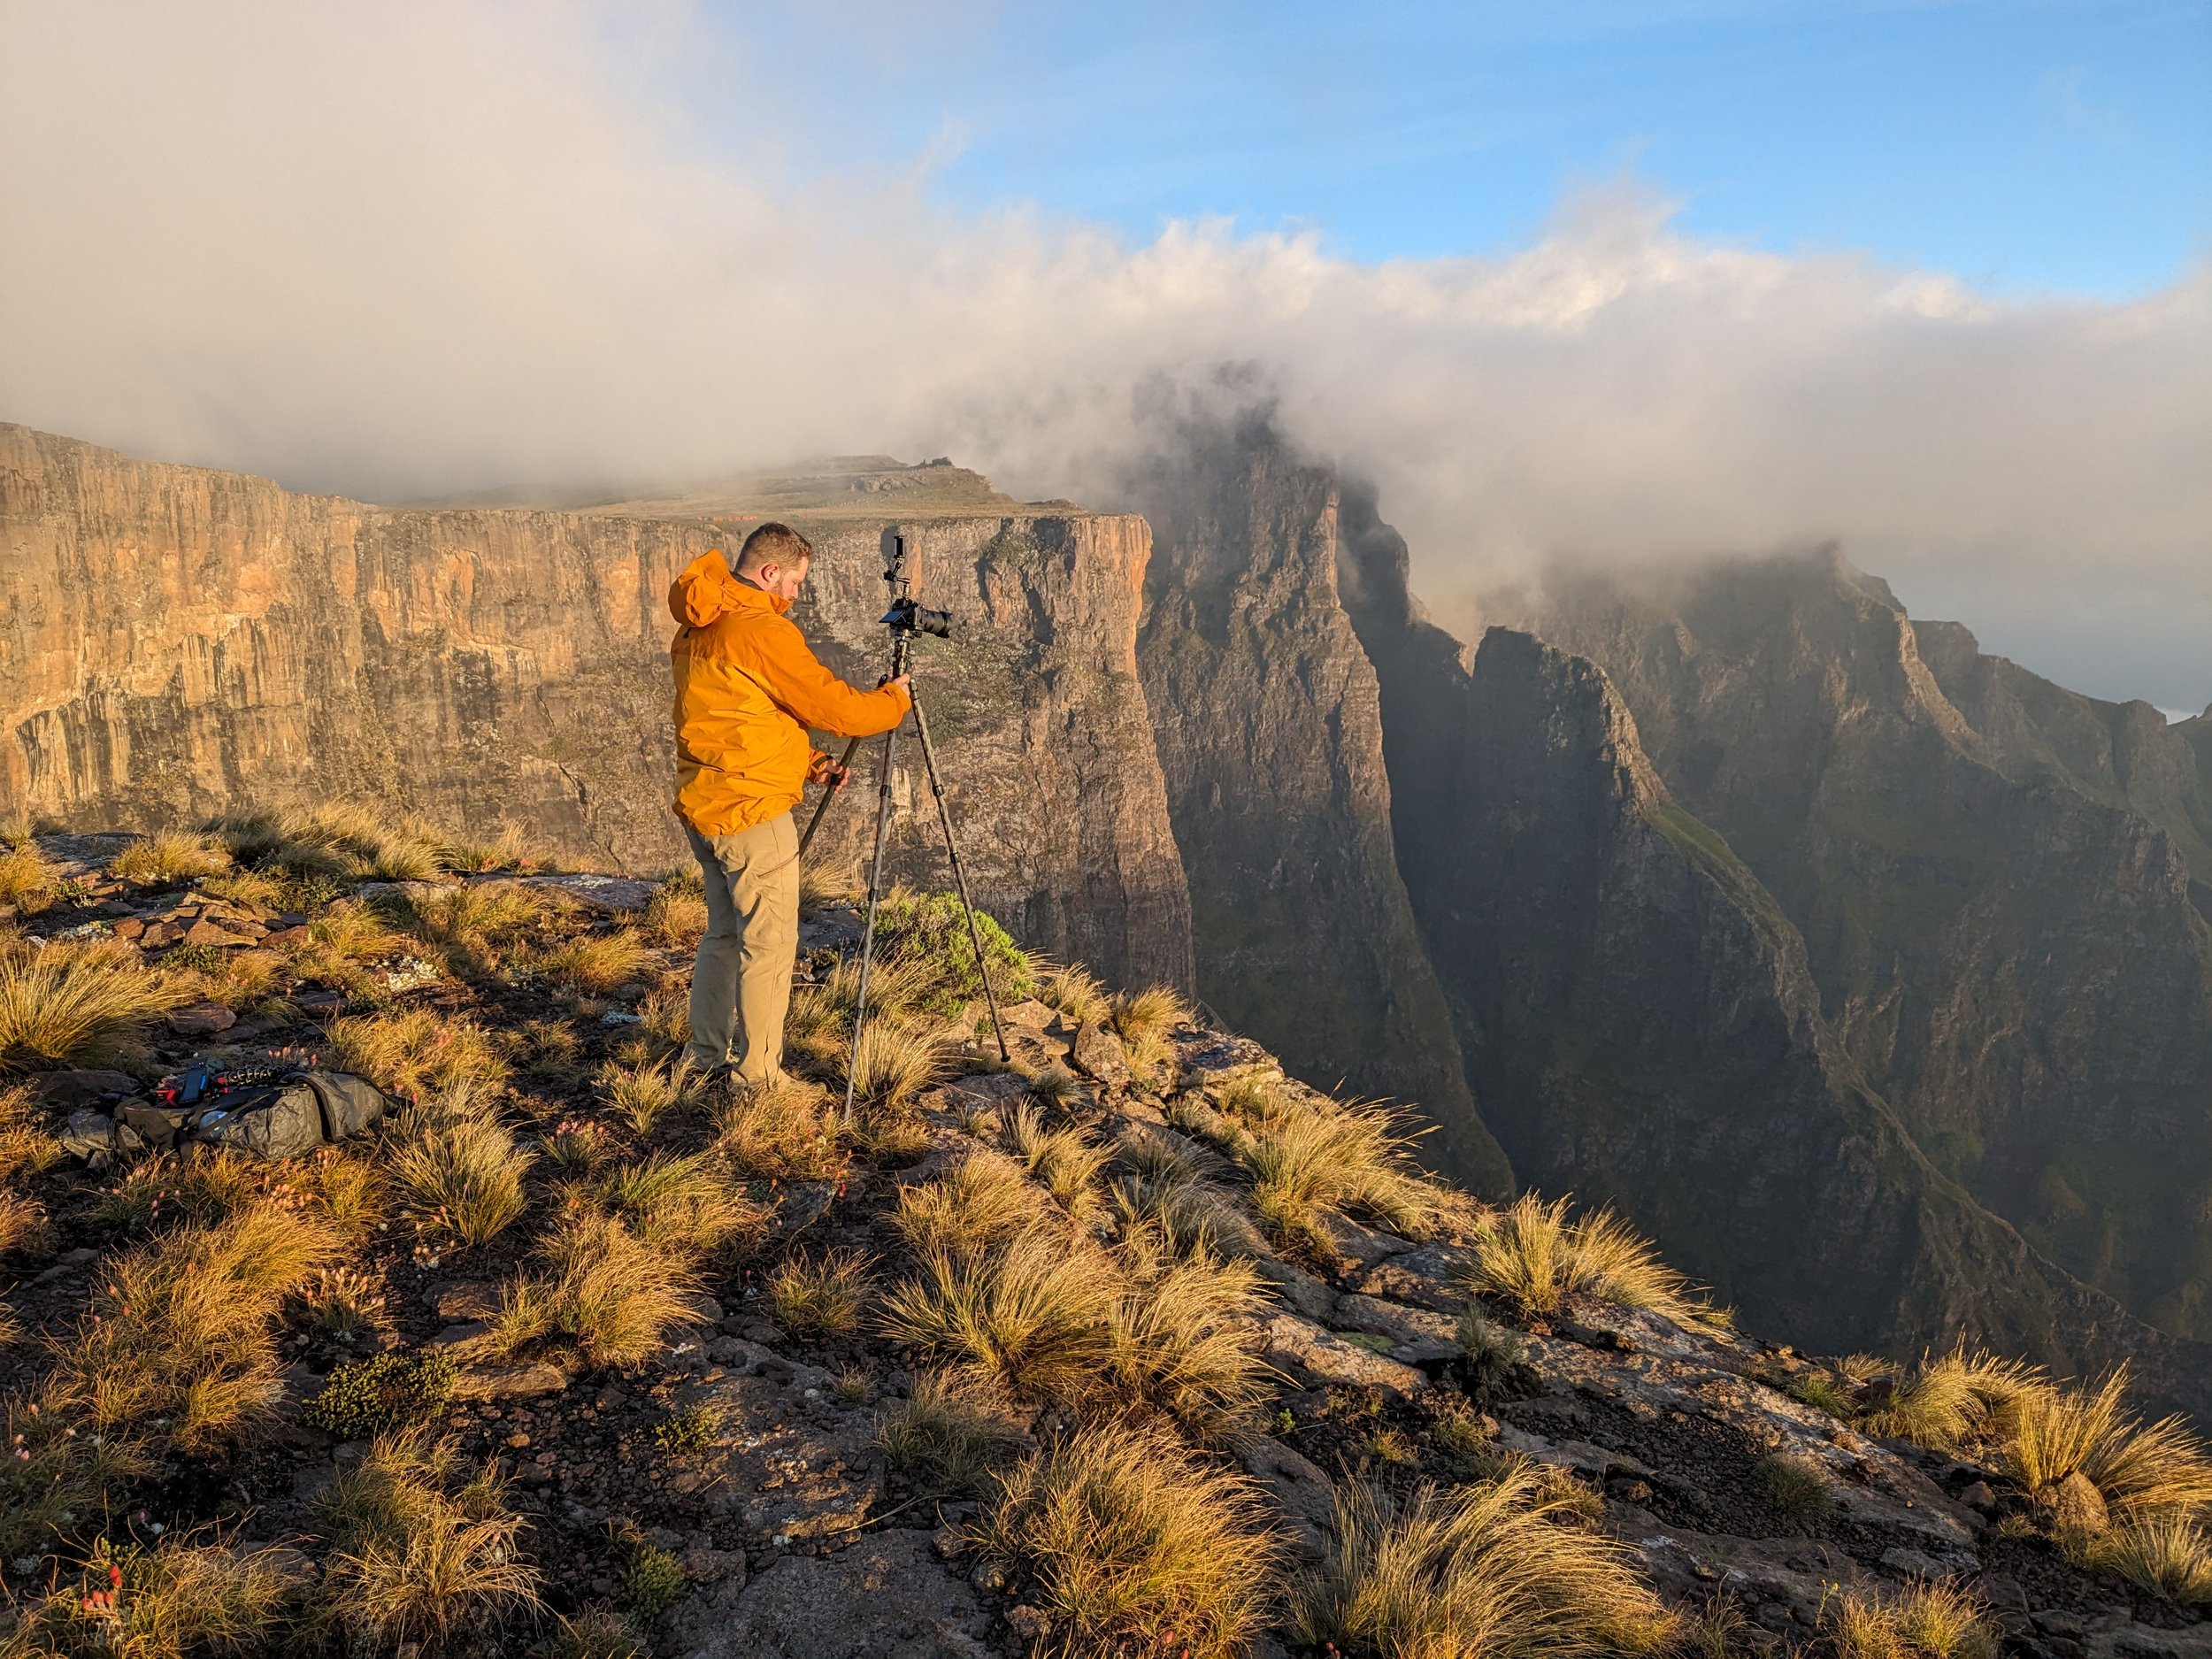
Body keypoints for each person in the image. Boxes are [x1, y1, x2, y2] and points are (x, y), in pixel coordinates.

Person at [667, 523, 910, 1087]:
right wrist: (892, 702)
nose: (796, 596)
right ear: (770, 572)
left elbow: (738, 715)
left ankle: (703, 1058)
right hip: (752, 813)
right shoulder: (760, 630)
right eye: (795, 582)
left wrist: (811, 762)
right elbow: (836, 708)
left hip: (707, 802)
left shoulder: (699, 622)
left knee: (723, 937)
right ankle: (758, 1079)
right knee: (770, 945)